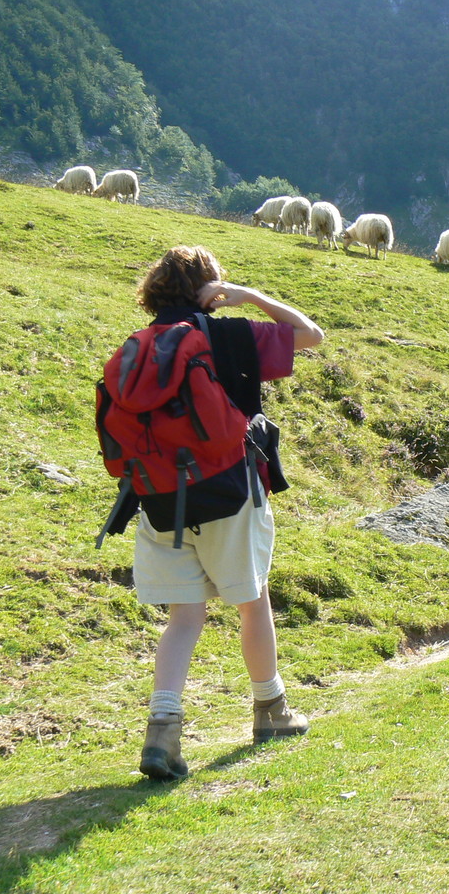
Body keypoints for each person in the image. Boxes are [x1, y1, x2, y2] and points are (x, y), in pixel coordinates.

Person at [123, 245, 324, 781]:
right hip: (231, 491)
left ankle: (162, 732)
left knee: (184, 618)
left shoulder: (140, 346)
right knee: (253, 602)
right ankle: (271, 710)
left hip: (159, 499)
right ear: (209, 289)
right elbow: (311, 335)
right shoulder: (230, 335)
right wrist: (250, 297)